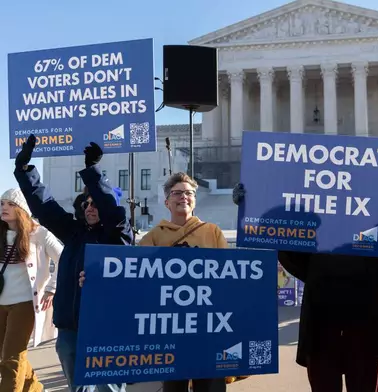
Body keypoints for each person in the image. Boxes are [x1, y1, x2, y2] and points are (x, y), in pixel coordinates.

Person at [232, 168, 378, 392]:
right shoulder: (314, 229)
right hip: (320, 327)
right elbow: (287, 247)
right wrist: (251, 203)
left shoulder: (376, 228)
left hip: (367, 327)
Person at [14, 135, 132, 392]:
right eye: (85, 203)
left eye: (95, 203)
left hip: (106, 327)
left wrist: (92, 172)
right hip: (70, 329)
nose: (90, 207)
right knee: (78, 388)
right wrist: (24, 171)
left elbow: (112, 210)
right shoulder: (74, 232)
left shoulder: (118, 234)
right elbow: (45, 207)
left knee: (107, 388)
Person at [135, 172, 244, 391]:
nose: (184, 196)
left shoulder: (213, 232)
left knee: (210, 385)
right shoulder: (154, 237)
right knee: (174, 387)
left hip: (209, 326)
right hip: (171, 330)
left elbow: (231, 276)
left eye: (189, 192)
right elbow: (132, 275)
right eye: (177, 193)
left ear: (195, 199)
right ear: (167, 201)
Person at [0, 188, 62, 392]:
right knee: (6, 354)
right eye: (2, 203)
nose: (4, 207)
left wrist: (51, 288)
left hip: (24, 303)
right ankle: (35, 388)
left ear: (22, 209)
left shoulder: (38, 233)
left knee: (12, 358)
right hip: (1, 302)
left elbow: (64, 258)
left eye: (10, 204)